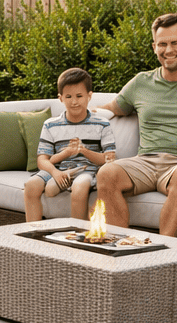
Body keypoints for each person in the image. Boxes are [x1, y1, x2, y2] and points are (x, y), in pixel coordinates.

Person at [93, 13, 177, 235]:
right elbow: (111, 108)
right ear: (154, 46)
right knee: (107, 173)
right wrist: (76, 117)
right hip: (145, 161)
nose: (168, 50)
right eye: (162, 44)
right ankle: (118, 249)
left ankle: (164, 253)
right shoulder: (141, 82)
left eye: (175, 42)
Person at [23, 67, 116, 222]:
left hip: (86, 170)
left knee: (79, 188)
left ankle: (76, 236)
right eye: (68, 96)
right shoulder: (50, 124)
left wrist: (84, 151)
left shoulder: (102, 124)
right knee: (31, 185)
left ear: (89, 96)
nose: (74, 101)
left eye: (79, 96)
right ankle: (33, 235)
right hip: (57, 169)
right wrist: (55, 172)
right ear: (60, 98)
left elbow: (109, 159)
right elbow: (42, 160)